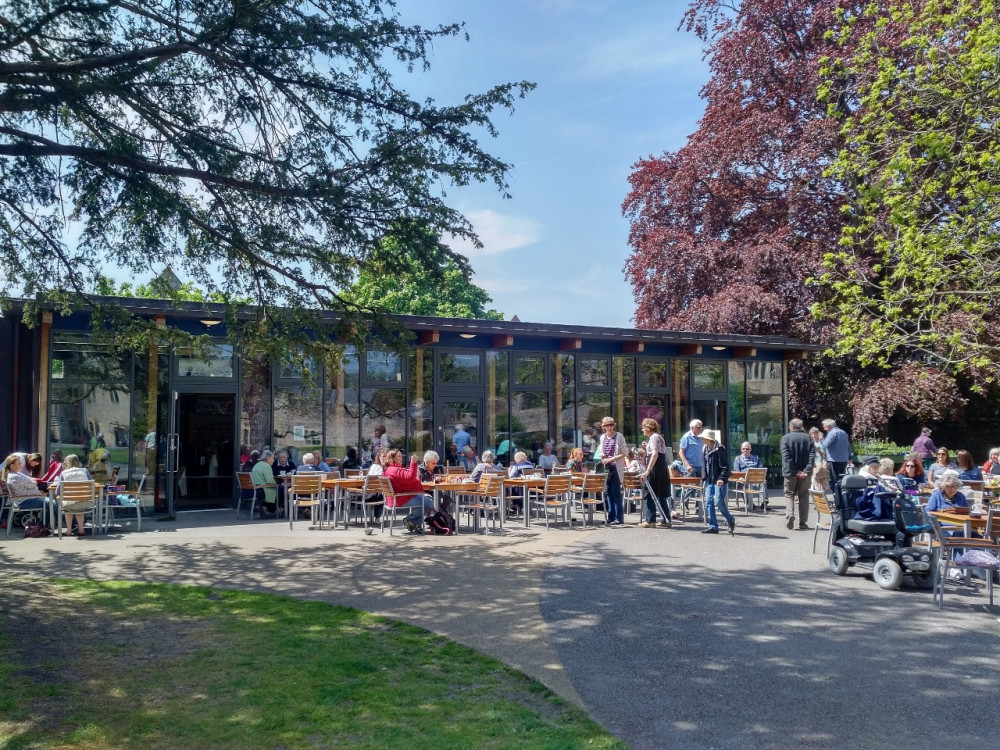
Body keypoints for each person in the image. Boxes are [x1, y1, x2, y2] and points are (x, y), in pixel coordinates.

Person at [382, 449, 436, 533]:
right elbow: (410, 477)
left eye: (401, 455)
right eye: (399, 456)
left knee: (423, 500)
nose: (401, 457)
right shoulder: (395, 470)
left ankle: (414, 524)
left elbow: (405, 479)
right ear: (392, 459)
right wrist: (413, 463)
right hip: (401, 498)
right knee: (428, 502)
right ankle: (411, 520)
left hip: (394, 498)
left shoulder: (389, 469)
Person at [780, 418, 815, 531]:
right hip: (805, 474)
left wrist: (795, 471)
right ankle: (803, 522)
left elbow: (786, 457)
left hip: (790, 473)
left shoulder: (786, 438)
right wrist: (806, 470)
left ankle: (790, 514)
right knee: (804, 496)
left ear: (791, 427)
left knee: (789, 494)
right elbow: (812, 456)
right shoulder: (808, 438)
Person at [638, 418, 671, 529]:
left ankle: (650, 520)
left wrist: (648, 470)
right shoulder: (658, 437)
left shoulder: (653, 437)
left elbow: (655, 454)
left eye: (644, 427)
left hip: (656, 467)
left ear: (648, 428)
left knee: (650, 493)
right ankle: (666, 519)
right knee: (661, 494)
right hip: (662, 466)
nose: (642, 429)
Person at [699, 429, 733, 535]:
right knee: (709, 502)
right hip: (709, 479)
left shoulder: (719, 449)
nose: (701, 439)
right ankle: (713, 526)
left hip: (719, 480)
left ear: (709, 439)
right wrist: (704, 476)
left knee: (718, 501)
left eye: (703, 438)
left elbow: (725, 467)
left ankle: (730, 519)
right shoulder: (705, 448)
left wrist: (721, 478)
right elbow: (704, 464)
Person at [2, 453, 51, 526]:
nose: (21, 464)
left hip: (28, 498)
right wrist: (33, 483)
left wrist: (33, 483)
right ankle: (42, 526)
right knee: (53, 504)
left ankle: (42, 525)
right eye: (19, 463)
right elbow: (32, 484)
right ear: (12, 466)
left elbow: (30, 482)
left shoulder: (16, 474)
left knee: (52, 504)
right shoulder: (15, 476)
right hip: (26, 501)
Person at [598, 416, 628, 526]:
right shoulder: (602, 437)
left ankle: (618, 518)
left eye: (611, 425)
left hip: (616, 467)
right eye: (607, 425)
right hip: (606, 468)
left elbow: (625, 452)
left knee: (615, 493)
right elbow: (601, 450)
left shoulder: (619, 436)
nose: (609, 427)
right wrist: (602, 455)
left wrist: (611, 458)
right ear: (603, 427)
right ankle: (611, 516)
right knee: (608, 493)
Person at [54, 454, 93, 536]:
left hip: (69, 505)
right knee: (79, 506)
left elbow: (58, 491)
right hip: (85, 503)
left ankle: (68, 531)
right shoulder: (85, 471)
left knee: (69, 507)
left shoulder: (63, 473)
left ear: (67, 463)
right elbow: (91, 485)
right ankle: (81, 530)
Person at [820, 419, 851, 486]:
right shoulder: (843, 432)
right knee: (842, 478)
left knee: (835, 480)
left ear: (828, 426)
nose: (824, 428)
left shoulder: (832, 433)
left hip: (834, 459)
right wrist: (849, 456)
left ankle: (837, 495)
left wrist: (821, 439)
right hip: (844, 459)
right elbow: (848, 446)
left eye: (824, 426)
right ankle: (842, 494)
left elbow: (825, 444)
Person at [506, 451, 535, 515]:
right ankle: (520, 507)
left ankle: (515, 506)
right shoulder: (530, 465)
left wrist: (509, 470)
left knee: (510, 488)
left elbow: (510, 476)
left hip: (519, 489)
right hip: (530, 488)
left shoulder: (516, 466)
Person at [251, 450, 278, 517]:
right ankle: (268, 510)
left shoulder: (257, 465)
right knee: (280, 490)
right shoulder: (266, 466)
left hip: (255, 489)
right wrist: (278, 483)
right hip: (262, 490)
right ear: (268, 458)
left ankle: (264, 507)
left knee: (277, 489)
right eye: (273, 458)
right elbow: (270, 480)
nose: (274, 460)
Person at [808, 427, 831, 492]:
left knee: (821, 479)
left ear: (818, 434)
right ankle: (816, 494)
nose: (813, 436)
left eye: (814, 434)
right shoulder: (810, 443)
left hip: (820, 462)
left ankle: (821, 495)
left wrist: (817, 449)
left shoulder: (822, 443)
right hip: (813, 463)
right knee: (815, 478)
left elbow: (824, 454)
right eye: (812, 434)